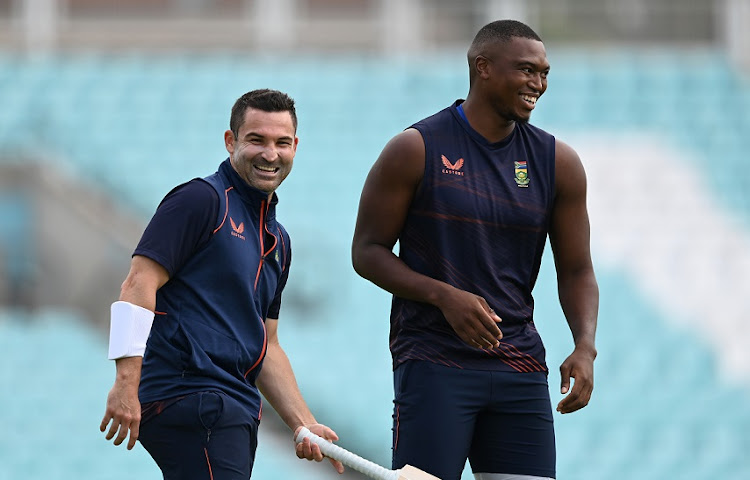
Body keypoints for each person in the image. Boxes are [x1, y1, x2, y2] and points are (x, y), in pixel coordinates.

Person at [351, 20, 599, 480]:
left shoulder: (557, 163)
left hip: (519, 364)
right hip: (433, 362)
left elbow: (578, 269)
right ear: (483, 67)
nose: (538, 84)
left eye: (544, 73)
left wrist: (584, 344)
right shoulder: (415, 148)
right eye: (526, 70)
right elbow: (366, 251)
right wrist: (443, 295)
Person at [100, 89, 344, 479]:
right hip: (194, 397)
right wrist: (126, 383)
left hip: (234, 408)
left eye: (282, 142)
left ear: (295, 146)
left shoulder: (278, 241)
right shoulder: (200, 200)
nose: (270, 154)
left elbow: (267, 344)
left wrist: (303, 422)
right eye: (256, 140)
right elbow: (137, 284)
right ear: (230, 142)